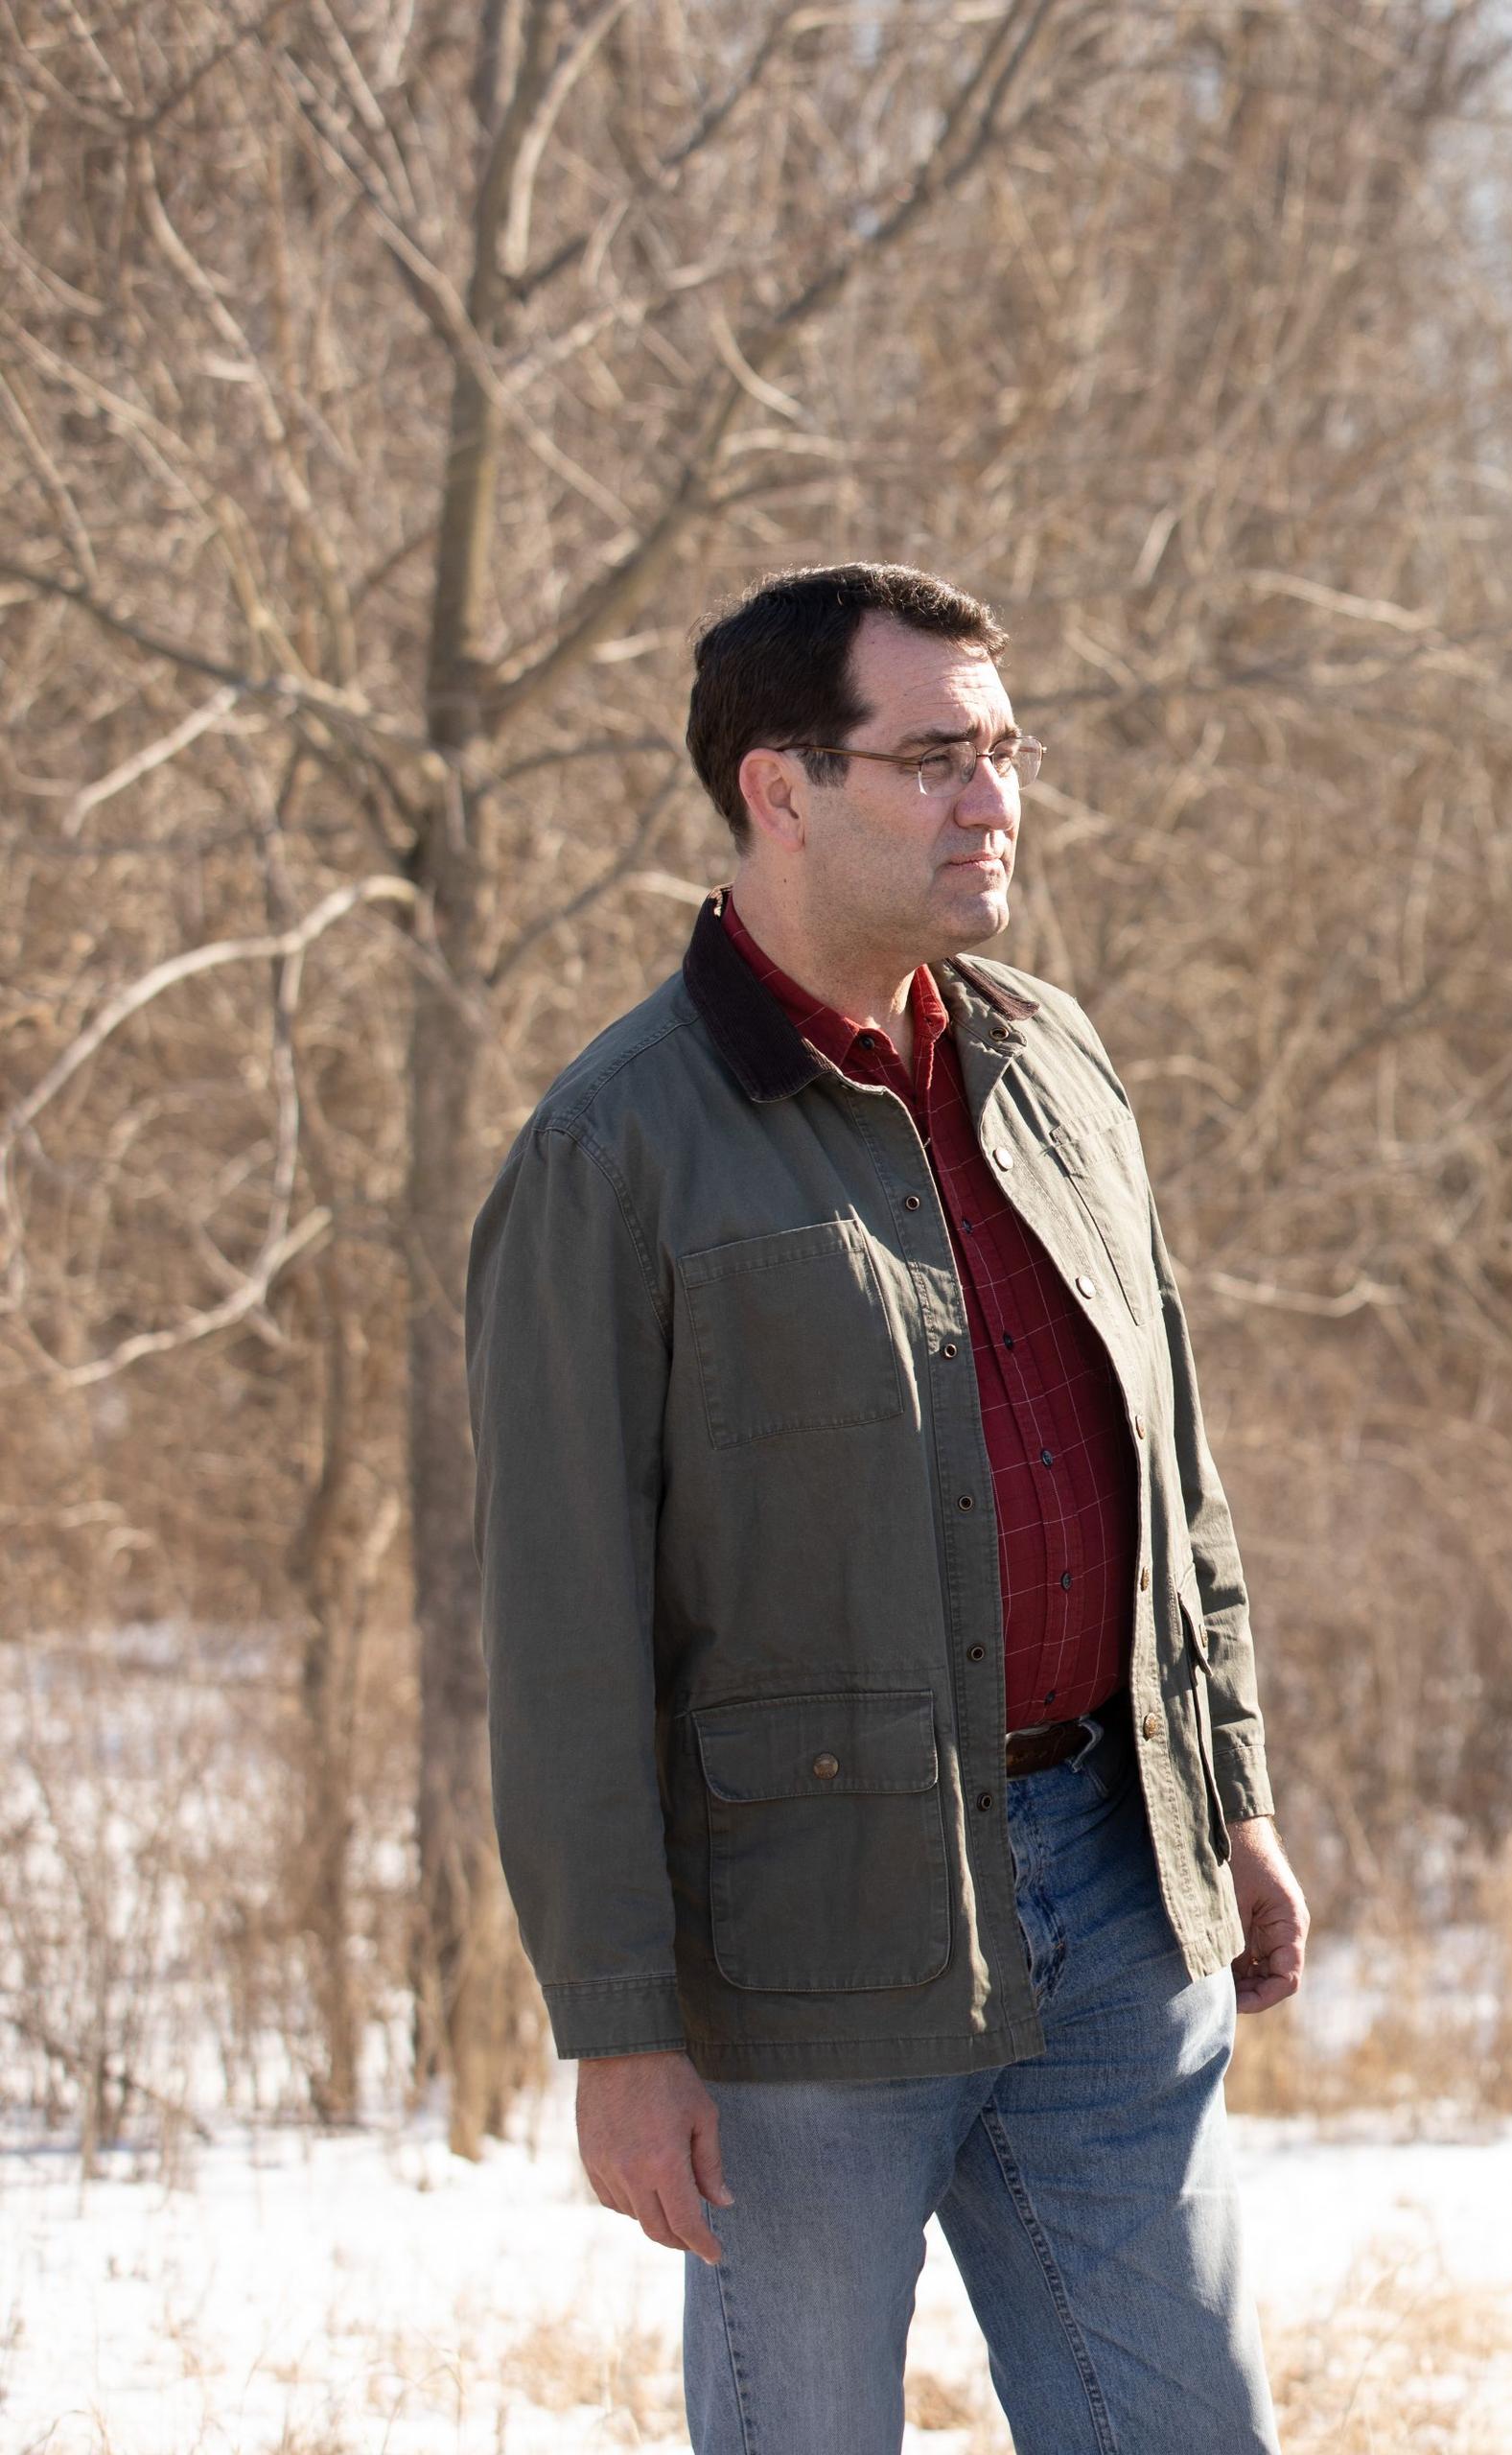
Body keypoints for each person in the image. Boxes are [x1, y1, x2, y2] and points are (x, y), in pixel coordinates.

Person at [466, 563, 1303, 2453]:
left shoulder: (1054, 1059)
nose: (991, 800)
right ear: (778, 787)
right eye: (932, 759)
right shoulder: (611, 1154)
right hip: (798, 1960)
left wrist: (1225, 1792)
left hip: (1109, 1881)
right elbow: (561, 1635)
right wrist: (617, 2021)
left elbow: (1176, 1467)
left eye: (1002, 752)